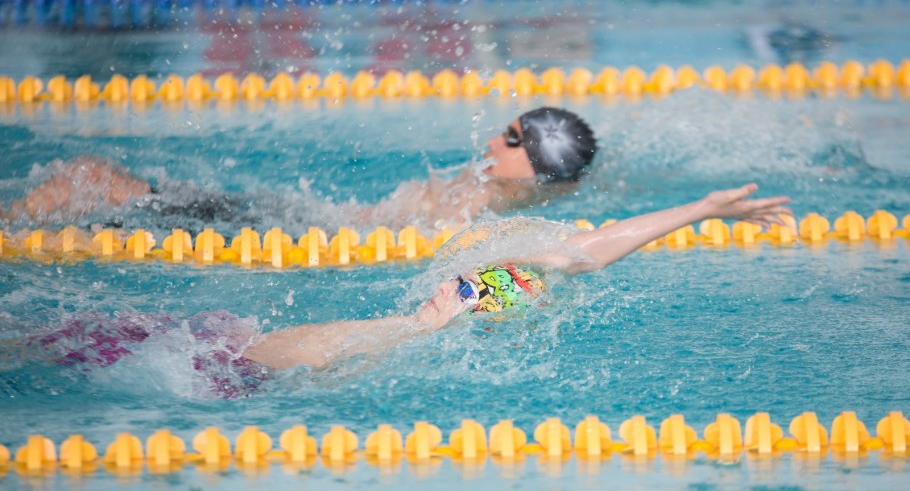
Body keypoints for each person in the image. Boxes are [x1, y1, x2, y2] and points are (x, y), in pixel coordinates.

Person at [244, 183, 792, 370]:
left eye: (463, 288)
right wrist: (700, 209)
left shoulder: (407, 333)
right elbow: (579, 255)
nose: (444, 286)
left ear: (475, 313)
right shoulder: (415, 335)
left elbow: (264, 356)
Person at [0, 107, 596, 231]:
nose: (495, 136)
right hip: (304, 220)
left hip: (297, 235)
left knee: (93, 177)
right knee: (93, 178)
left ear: (535, 169)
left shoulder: (483, 205)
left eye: (513, 138)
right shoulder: (507, 191)